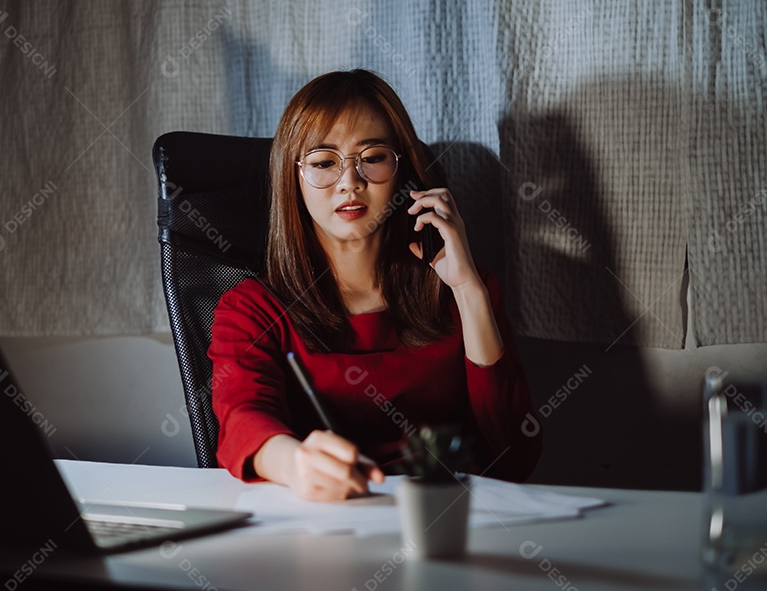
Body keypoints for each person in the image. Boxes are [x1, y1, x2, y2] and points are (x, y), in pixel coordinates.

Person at [209, 69, 540, 501]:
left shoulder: (463, 291)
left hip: (448, 521)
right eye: (324, 162)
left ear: (403, 170)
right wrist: (296, 462)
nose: (350, 181)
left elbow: (515, 458)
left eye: (373, 157)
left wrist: (468, 290)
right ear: (293, 179)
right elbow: (242, 418)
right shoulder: (251, 309)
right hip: (326, 522)